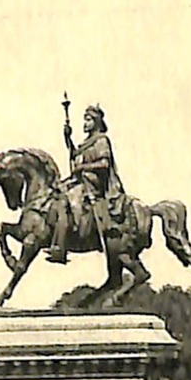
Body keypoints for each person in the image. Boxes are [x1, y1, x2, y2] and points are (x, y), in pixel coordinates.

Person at [49, 103, 125, 264]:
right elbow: (74, 155)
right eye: (85, 120)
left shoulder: (101, 141)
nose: (85, 123)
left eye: (88, 120)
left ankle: (60, 248)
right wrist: (68, 138)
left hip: (93, 183)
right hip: (81, 179)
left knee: (65, 200)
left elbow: (104, 164)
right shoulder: (87, 143)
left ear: (96, 122)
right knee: (55, 194)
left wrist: (83, 167)